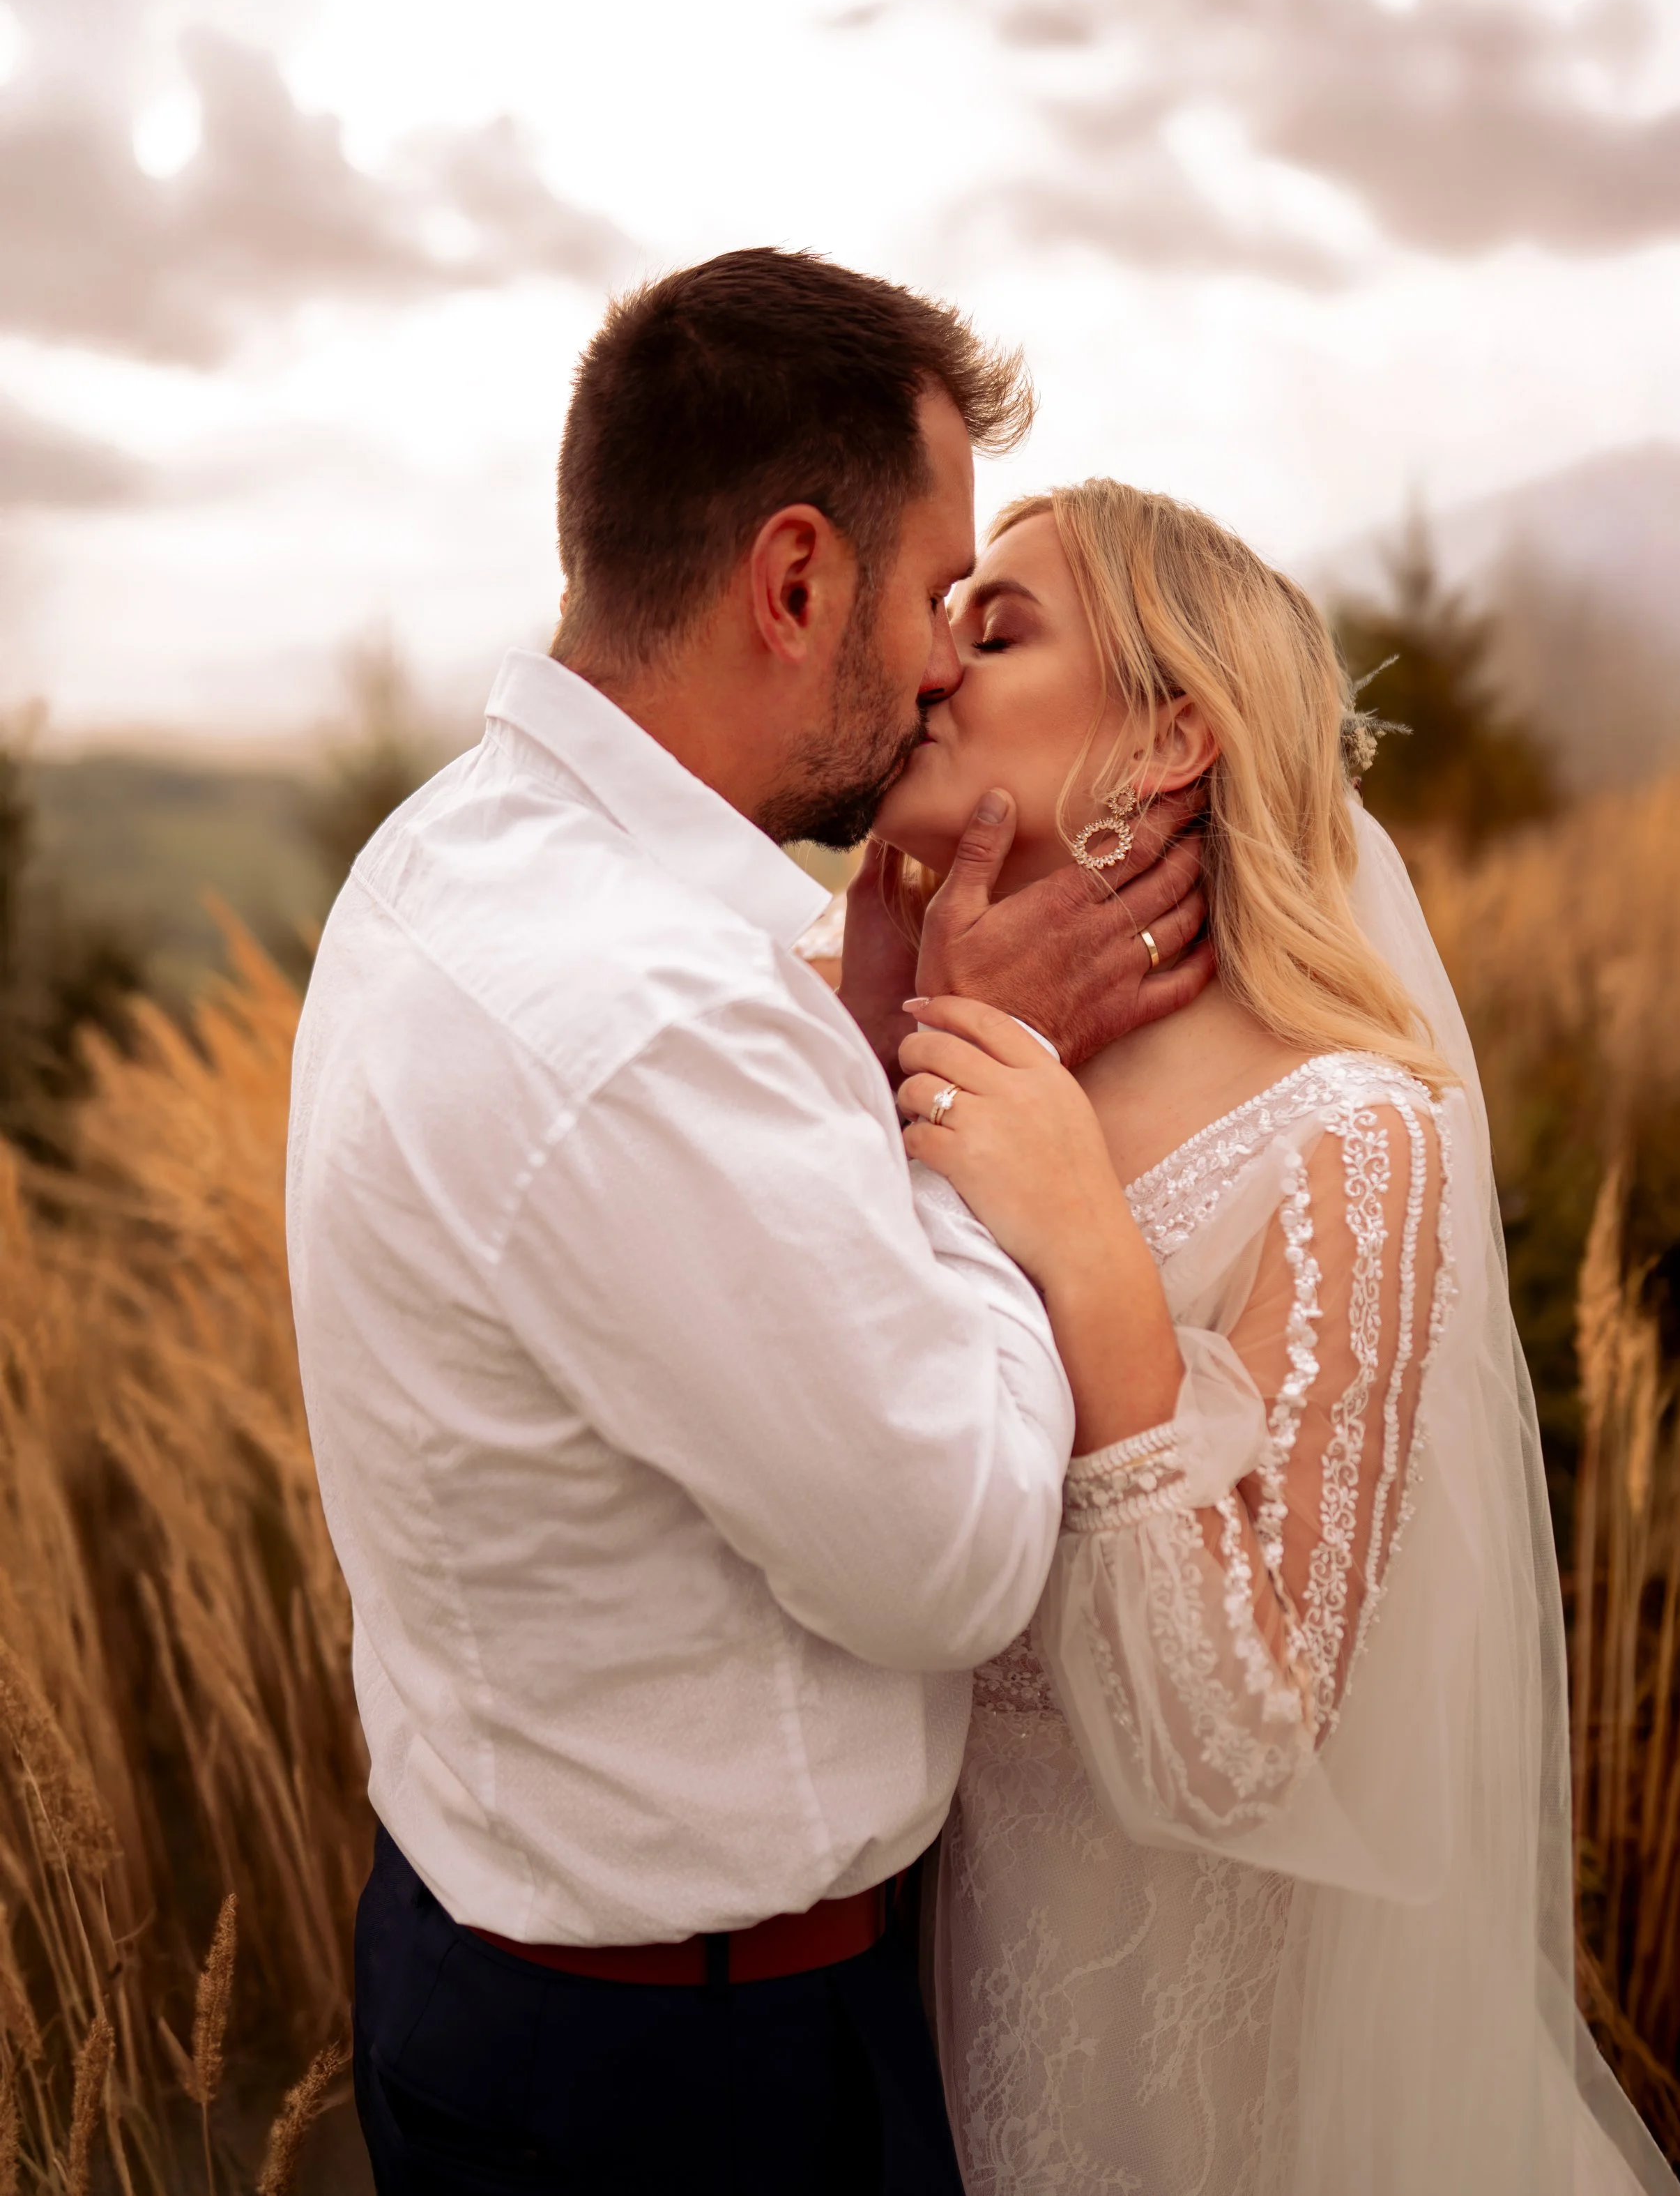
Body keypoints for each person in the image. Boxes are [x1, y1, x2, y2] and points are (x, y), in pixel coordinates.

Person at [285, 252, 1212, 2195]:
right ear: (791, 581)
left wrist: (857, 1053)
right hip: (692, 2083)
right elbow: (953, 1557)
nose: (953, 663)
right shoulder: (643, 1015)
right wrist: (983, 1093)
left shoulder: (450, 853)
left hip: (506, 1972)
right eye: (938, 597)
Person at [867, 480, 1676, 2195]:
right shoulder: (900, 1030)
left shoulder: (1345, 1136)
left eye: (996, 627)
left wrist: (1089, 1245)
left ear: (1173, 736)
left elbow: (1234, 1751)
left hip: (1215, 2096)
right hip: (920, 2040)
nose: (929, 666)